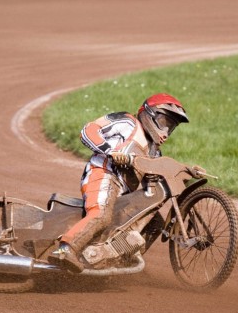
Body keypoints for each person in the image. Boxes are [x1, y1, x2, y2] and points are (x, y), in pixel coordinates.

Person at [48, 93, 189, 272]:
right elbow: (88, 130)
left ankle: (118, 260)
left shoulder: (154, 152)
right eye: (164, 123)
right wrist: (111, 152)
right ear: (150, 114)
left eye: (171, 127)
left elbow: (150, 189)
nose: (166, 131)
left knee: (155, 223)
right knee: (101, 214)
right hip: (103, 173)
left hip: (123, 192)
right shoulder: (128, 122)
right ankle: (64, 250)